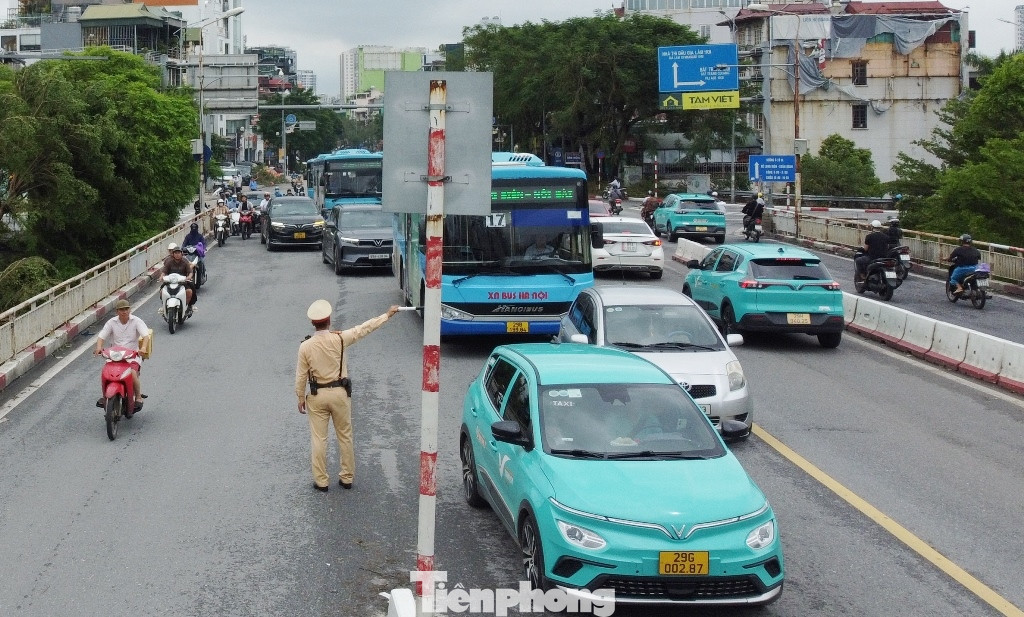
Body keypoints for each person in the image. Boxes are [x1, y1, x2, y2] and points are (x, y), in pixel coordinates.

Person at [295, 300, 401, 492]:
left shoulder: (306, 347)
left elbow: (301, 375)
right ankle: (346, 477)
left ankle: (321, 481)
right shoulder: (340, 338)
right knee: (345, 436)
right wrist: (387, 315)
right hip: (339, 393)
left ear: (313, 323)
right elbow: (363, 329)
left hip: (317, 395)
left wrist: (300, 397)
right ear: (329, 320)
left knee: (319, 439)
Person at [94, 298, 149, 409]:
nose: (124, 311)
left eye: (126, 309)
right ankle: (105, 396)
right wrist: (99, 348)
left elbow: (146, 336)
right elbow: (101, 336)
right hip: (115, 356)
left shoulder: (136, 321)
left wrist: (142, 348)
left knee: (132, 374)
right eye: (121, 310)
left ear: (130, 310)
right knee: (106, 374)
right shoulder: (111, 322)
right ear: (117, 312)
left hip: (132, 355)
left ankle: (138, 397)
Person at [160, 242, 196, 312]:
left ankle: (188, 305)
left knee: (190, 290)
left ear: (181, 254)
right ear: (173, 254)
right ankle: (164, 305)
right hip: (170, 282)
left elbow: (190, 272)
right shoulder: (169, 261)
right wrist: (161, 277)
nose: (177, 255)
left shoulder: (185, 261)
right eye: (175, 253)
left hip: (183, 282)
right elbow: (164, 271)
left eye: (178, 253)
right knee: (161, 291)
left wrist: (189, 277)